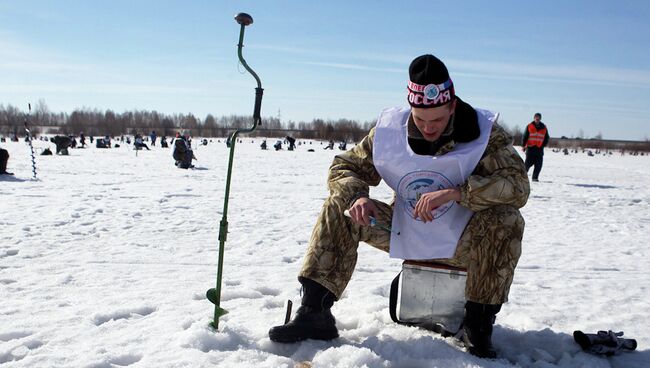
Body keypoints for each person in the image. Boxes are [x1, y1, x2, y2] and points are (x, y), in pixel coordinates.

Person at [268, 54, 530, 359]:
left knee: (507, 219)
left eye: (438, 120)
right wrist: (357, 197)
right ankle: (314, 311)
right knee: (340, 202)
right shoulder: (388, 133)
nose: (429, 128)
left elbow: (518, 186)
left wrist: (459, 193)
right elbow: (344, 166)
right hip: (401, 228)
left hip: (463, 237)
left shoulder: (484, 134)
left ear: (452, 106)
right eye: (420, 119)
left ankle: (478, 325)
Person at [521, 113, 549, 182]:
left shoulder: (544, 127)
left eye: (538, 118)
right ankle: (521, 177)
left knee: (538, 165)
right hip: (530, 148)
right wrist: (523, 146)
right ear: (534, 118)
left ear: (540, 119)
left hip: (539, 148)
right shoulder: (529, 126)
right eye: (536, 117)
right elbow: (525, 136)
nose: (537, 119)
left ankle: (535, 178)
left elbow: (547, 137)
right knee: (527, 164)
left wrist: (543, 145)